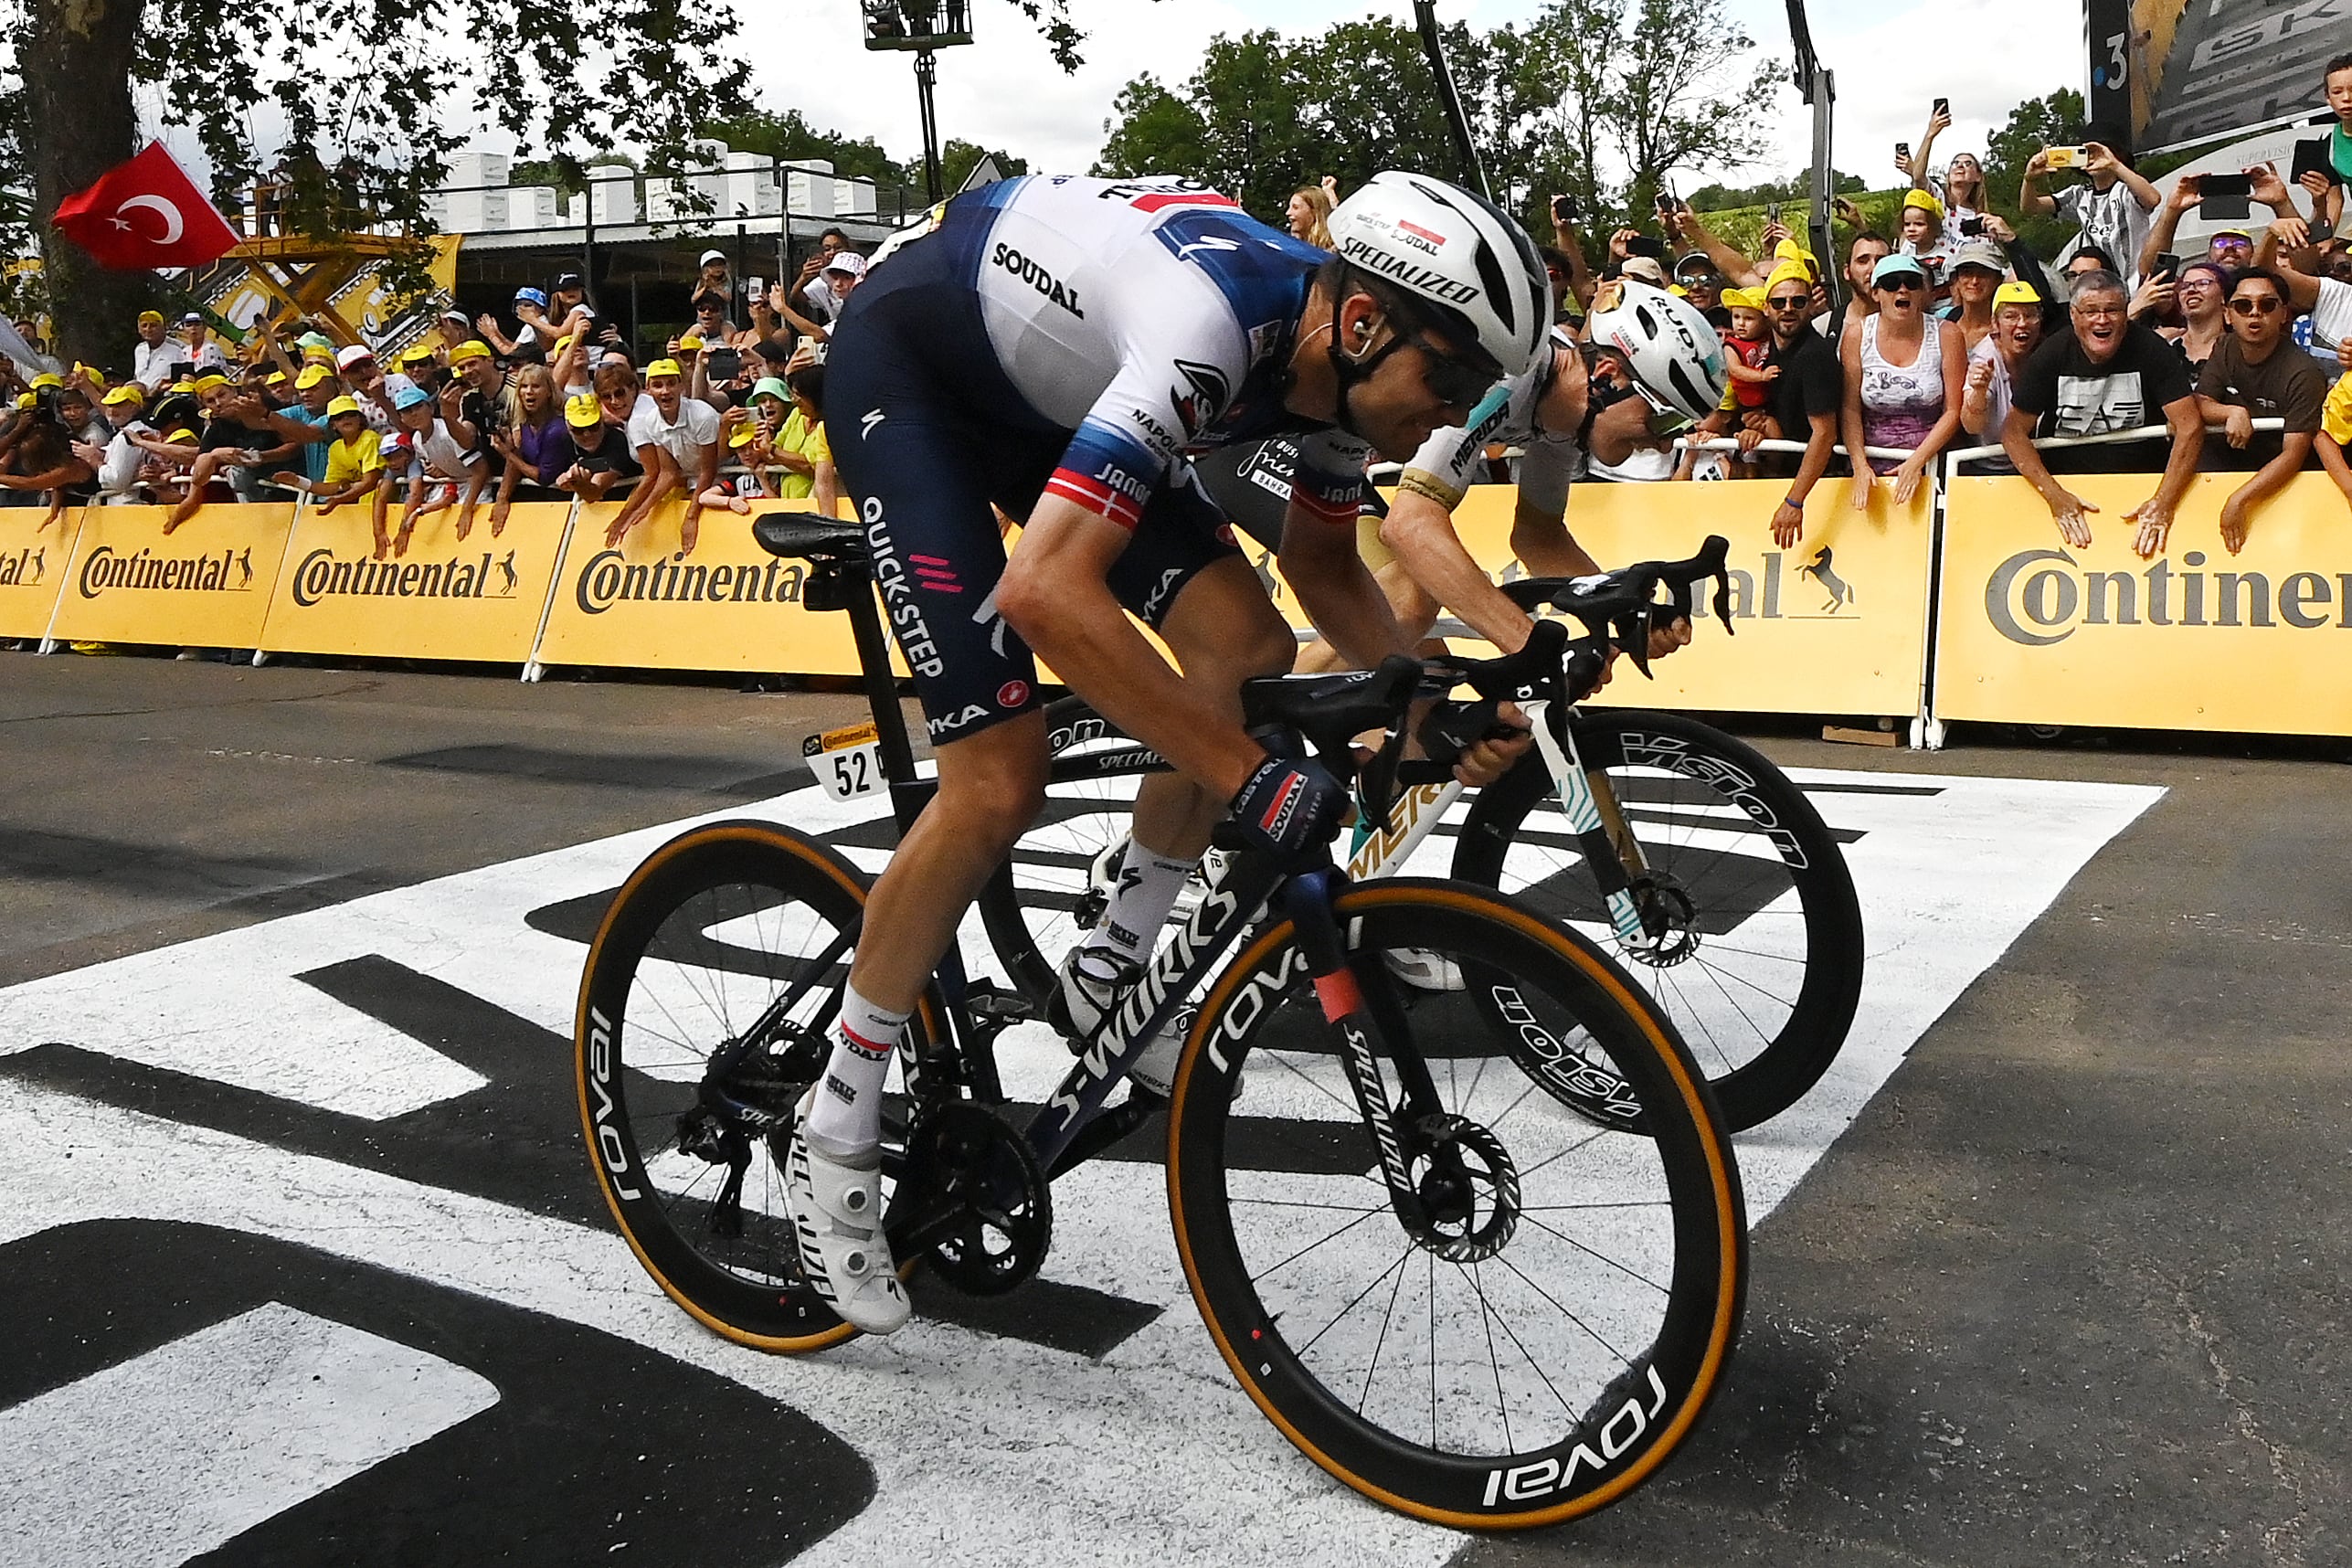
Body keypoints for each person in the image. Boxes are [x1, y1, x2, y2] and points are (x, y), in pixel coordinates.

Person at [793, 169, 1550, 1334]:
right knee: (998, 777)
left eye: (1478, 389)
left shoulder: (1335, 376)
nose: (1455, 410)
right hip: (915, 370)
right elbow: (1045, 593)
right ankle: (835, 1117)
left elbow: (1325, 571)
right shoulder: (1214, 329)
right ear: (1362, 322)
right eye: (1447, 378)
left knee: (1242, 641)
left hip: (1047, 390)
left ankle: (1114, 963)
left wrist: (1434, 702)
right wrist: (1248, 776)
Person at [2000, 268, 2203, 555]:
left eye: (2112, 310)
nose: (2102, 320)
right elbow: (2013, 431)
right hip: (2070, 490)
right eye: (2091, 311)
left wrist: (2164, 501)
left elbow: (2190, 425)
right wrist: (2053, 495)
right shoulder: (2051, 353)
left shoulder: (2152, 349)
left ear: (2126, 312)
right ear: (2073, 315)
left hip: (2142, 487)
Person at [2193, 268, 2326, 552]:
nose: (2255, 313)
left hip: (2287, 483)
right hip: (2232, 464)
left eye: (2267, 305)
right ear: (2228, 314)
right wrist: (2231, 412)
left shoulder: (2304, 373)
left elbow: (2294, 454)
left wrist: (2239, 499)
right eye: (2243, 305)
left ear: (2284, 315)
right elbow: (2201, 403)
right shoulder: (2225, 347)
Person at [1840, 253, 1962, 503]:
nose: (1902, 289)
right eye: (1891, 283)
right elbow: (1850, 409)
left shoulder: (1947, 334)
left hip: (1932, 459)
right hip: (1871, 460)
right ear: (1876, 293)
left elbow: (1953, 410)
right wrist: (1859, 465)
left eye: (1911, 282)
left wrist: (1916, 462)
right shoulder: (1856, 336)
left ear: (1922, 291)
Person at [605, 356, 718, 554]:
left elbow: (708, 472)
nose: (665, 391)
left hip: (721, 476)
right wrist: (642, 509)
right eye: (658, 385)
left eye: (671, 384)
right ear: (648, 389)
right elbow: (668, 473)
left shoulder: (703, 415)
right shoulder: (651, 421)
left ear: (682, 386)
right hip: (692, 477)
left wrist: (691, 517)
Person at [2021, 132, 2160, 288]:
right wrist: (2029, 179)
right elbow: (2031, 207)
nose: (2093, 158)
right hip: (2097, 288)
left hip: (2135, 285)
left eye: (2099, 152)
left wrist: (2114, 165)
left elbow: (2153, 199)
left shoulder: (2128, 191)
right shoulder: (2079, 195)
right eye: (2087, 153)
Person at [1958, 281, 2047, 474]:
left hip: (2041, 459)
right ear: (1995, 324)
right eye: (2011, 316)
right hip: (1987, 466)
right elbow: (1971, 426)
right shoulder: (1984, 357)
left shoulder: (2046, 350)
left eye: (2030, 316)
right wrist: (1979, 392)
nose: (2022, 323)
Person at [554, 391, 642, 502]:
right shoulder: (561, 440)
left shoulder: (617, 441)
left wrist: (578, 485)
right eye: (578, 429)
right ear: (567, 426)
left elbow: (596, 491)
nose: (587, 434)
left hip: (623, 502)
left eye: (593, 427)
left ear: (601, 420)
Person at [1285, 182, 1335, 249]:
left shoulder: (1336, 247)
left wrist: (1330, 193)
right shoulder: (1291, 247)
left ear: (1315, 212)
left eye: (1295, 207)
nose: (1288, 212)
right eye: (1289, 207)